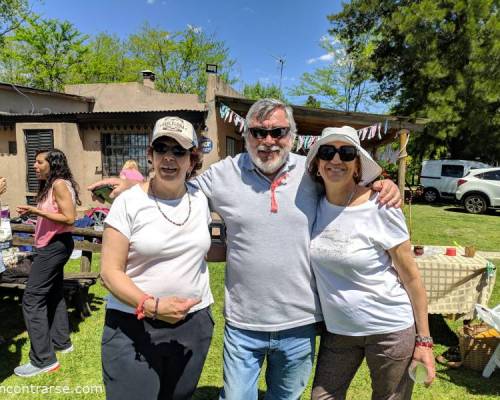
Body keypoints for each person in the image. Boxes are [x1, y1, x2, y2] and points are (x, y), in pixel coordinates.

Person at [89, 99, 401, 399]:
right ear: (245, 134)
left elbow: (346, 179)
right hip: (243, 324)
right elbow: (173, 186)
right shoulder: (222, 174)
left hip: (300, 321)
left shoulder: (313, 171)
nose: (268, 140)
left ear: (292, 137)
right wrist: (135, 186)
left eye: (277, 132)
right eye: (257, 132)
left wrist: (380, 185)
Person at [306, 126, 435, 399]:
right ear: (317, 164)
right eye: (327, 152)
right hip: (338, 331)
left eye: (347, 153)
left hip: (390, 328)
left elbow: (412, 278)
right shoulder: (311, 204)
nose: (336, 159)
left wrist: (424, 340)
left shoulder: (381, 206)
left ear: (357, 166)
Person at [99, 116, 214, 400]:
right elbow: (110, 272)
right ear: (150, 155)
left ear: (192, 159)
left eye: (179, 151)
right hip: (133, 324)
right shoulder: (129, 202)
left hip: (193, 325)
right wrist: (151, 305)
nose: (169, 158)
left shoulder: (200, 198)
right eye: (161, 148)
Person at [14, 149, 81, 377]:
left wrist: (36, 210)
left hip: (55, 246)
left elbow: (70, 218)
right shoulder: (53, 185)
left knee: (32, 299)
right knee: (53, 293)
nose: (35, 165)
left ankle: (43, 360)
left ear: (52, 164)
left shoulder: (60, 184)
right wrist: (36, 215)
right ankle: (62, 342)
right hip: (54, 244)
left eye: (39, 162)